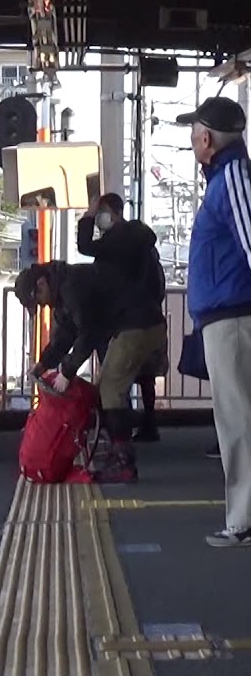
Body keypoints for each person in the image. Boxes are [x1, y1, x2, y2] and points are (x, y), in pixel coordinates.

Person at [15, 259, 166, 483]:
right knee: (108, 386)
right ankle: (118, 453)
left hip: (139, 325)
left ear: (42, 284)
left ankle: (124, 464)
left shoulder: (71, 286)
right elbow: (66, 334)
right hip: (130, 326)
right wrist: (43, 364)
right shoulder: (62, 291)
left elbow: (88, 332)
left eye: (37, 300)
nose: (42, 305)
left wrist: (67, 372)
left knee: (110, 387)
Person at [178, 96, 251, 547]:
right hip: (227, 318)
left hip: (235, 320)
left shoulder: (233, 180)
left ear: (206, 138)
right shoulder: (224, 179)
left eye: (192, 132)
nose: (189, 140)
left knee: (238, 420)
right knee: (237, 417)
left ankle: (243, 522)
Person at [76, 192, 168, 443]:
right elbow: (158, 281)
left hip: (128, 320)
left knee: (113, 383)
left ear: (113, 213)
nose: (98, 220)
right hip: (151, 317)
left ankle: (121, 449)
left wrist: (87, 216)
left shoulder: (118, 240)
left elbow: (85, 246)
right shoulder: (143, 242)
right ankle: (148, 425)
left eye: (101, 213)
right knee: (145, 374)